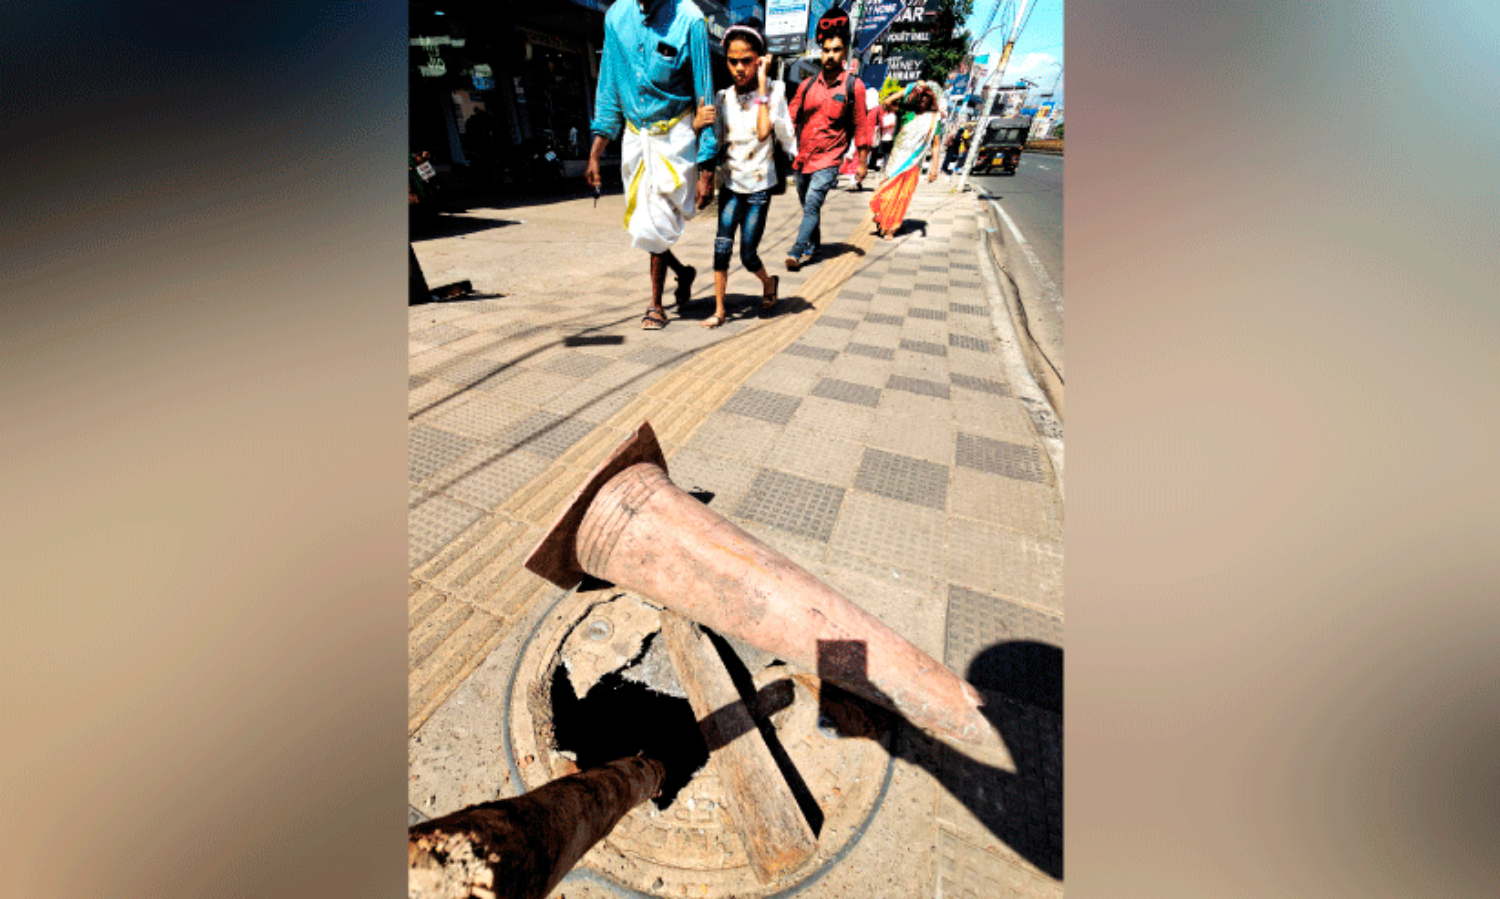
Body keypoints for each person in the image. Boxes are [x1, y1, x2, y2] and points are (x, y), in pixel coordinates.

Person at [586, 0, 719, 330]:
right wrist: (596, 151)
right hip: (635, 137)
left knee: (655, 222)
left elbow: (706, 96)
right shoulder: (616, 17)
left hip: (676, 137)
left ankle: (655, 305)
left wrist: (707, 170)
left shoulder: (690, 20)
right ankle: (683, 272)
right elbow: (609, 87)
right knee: (644, 226)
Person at [702, 19, 796, 329]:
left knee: (747, 254)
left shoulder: (775, 90)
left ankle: (768, 283)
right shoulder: (722, 97)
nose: (739, 67)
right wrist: (696, 126)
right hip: (730, 184)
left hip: (758, 188)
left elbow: (763, 131)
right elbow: (713, 142)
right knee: (721, 246)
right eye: (732, 60)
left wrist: (763, 84)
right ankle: (719, 310)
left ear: (760, 60)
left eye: (747, 60)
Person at [783, 8, 874, 271]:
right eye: (826, 50)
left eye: (835, 50)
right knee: (808, 205)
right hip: (804, 157)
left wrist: (862, 162)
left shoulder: (853, 86)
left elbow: (860, 125)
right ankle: (814, 242)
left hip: (829, 158)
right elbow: (789, 117)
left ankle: (796, 251)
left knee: (813, 202)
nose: (830, 55)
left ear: (844, 52)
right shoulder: (807, 85)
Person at [870, 82, 943, 241]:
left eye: (927, 97)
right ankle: (883, 220)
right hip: (896, 159)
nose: (923, 99)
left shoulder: (934, 120)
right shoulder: (905, 112)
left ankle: (890, 228)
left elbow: (935, 145)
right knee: (887, 193)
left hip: (913, 163)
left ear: (932, 100)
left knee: (902, 197)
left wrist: (934, 168)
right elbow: (887, 102)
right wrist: (911, 88)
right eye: (921, 95)